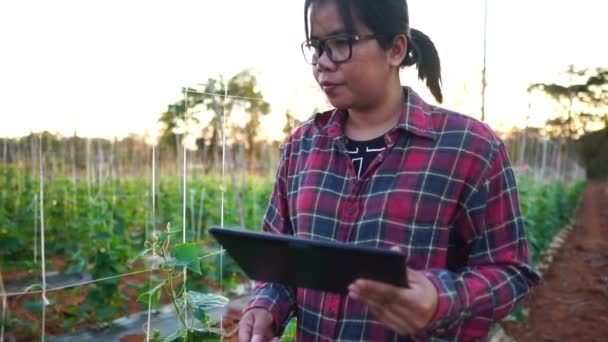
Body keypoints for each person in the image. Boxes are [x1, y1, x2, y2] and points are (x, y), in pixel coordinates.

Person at [238, 0, 541, 340]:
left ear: (395, 49)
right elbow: (279, 261)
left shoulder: (470, 148)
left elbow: (511, 273)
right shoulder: (301, 148)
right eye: (317, 46)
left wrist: (441, 299)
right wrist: (266, 303)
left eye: (340, 43)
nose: (323, 62)